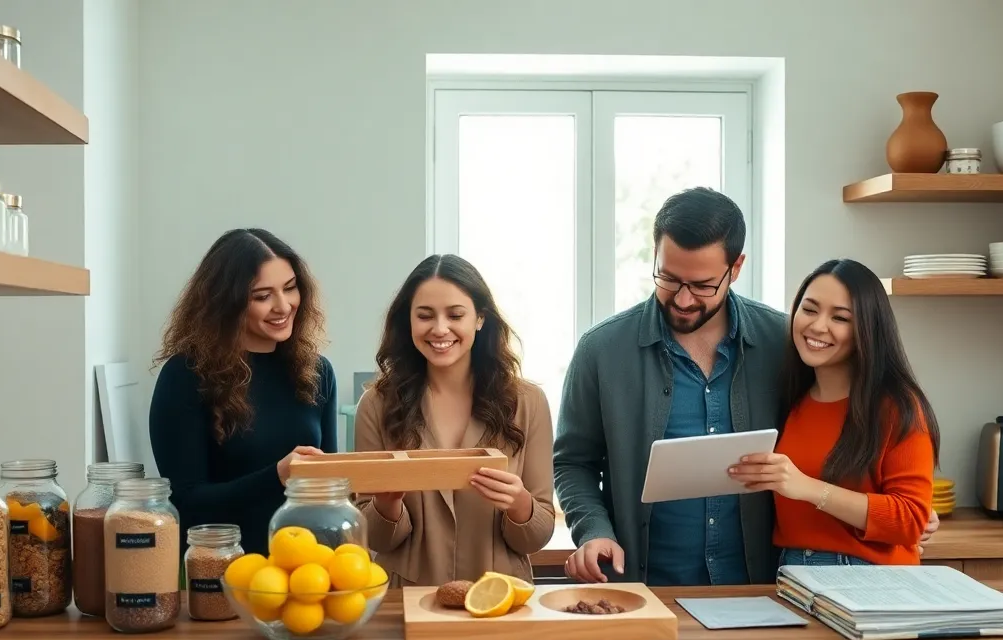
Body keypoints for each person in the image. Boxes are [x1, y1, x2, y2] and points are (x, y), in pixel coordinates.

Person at [556, 188, 940, 585]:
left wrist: (908, 512)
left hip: (766, 587)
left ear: (735, 267)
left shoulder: (786, 341)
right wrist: (593, 530)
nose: (683, 299)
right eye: (668, 278)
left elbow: (843, 426)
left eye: (703, 284)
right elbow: (572, 462)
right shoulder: (601, 350)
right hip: (648, 583)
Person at [354, 254, 556, 587]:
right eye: (425, 315)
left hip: (500, 598)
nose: (440, 329)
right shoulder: (376, 405)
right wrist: (386, 505)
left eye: (455, 315)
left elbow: (536, 535)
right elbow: (375, 539)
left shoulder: (529, 402)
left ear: (480, 318)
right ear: (408, 321)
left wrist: (519, 504)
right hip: (406, 600)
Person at [728, 259, 939, 566]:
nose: (817, 326)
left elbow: (910, 520)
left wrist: (809, 489)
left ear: (866, 330)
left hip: (871, 578)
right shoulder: (791, 400)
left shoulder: (897, 406)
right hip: (793, 573)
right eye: (809, 309)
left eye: (840, 318)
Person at [149, 228, 337, 556]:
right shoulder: (184, 376)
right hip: (218, 572)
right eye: (262, 296)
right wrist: (277, 476)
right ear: (227, 303)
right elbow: (186, 502)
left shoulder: (318, 373)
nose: (283, 306)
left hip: (306, 571)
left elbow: (330, 491)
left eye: (290, 288)